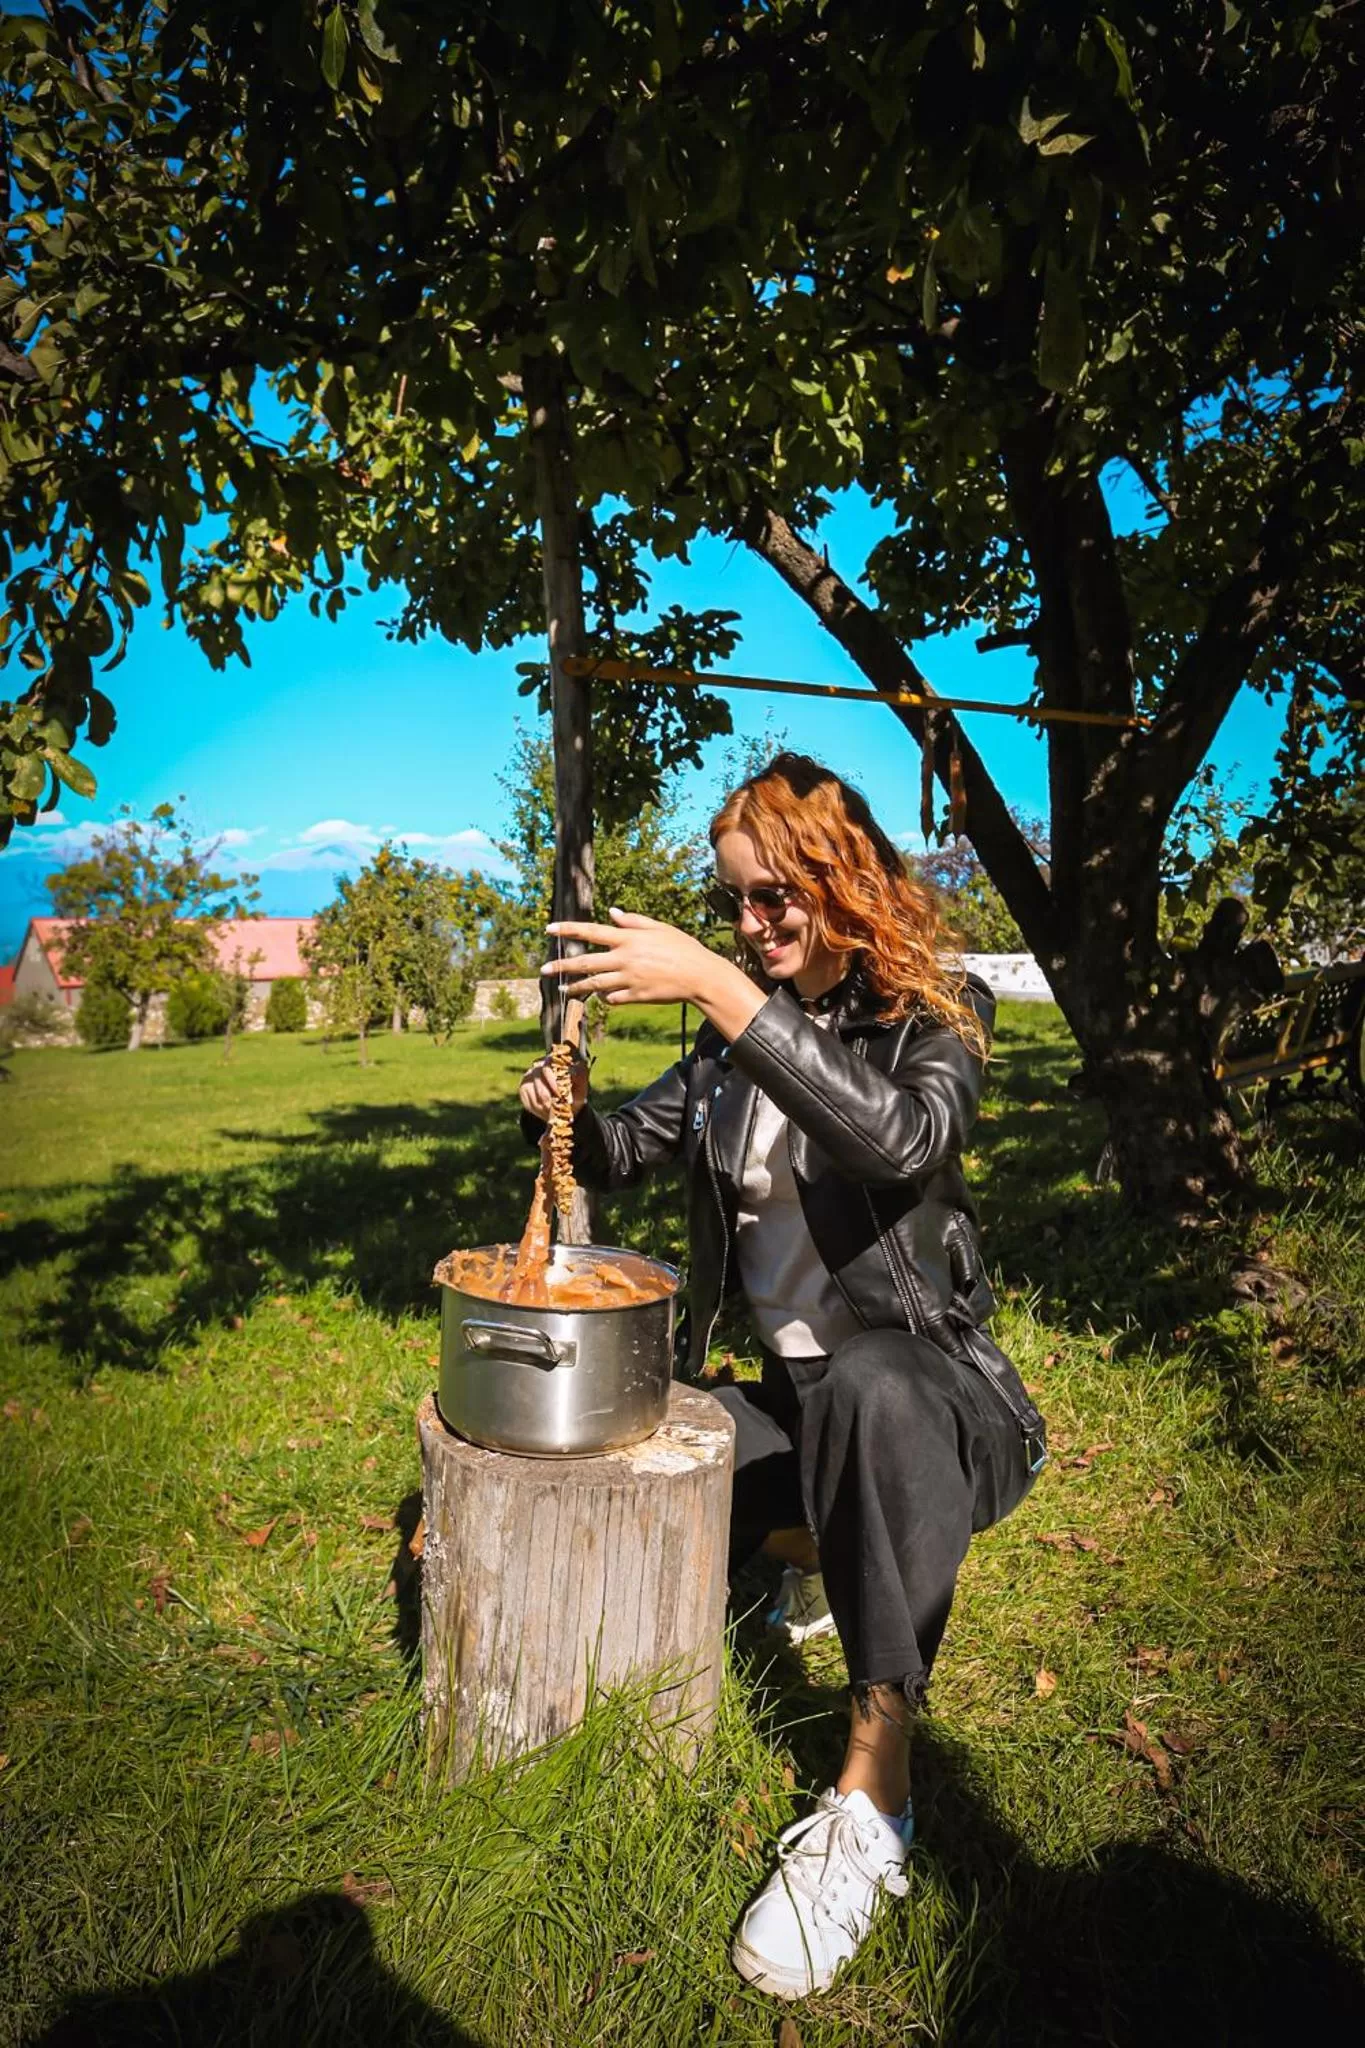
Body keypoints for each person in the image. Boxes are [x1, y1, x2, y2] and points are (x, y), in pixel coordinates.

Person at [520, 752, 1045, 2002]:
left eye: (772, 899)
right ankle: (817, 1559)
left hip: (934, 1407)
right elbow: (627, 1148)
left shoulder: (943, 1011)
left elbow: (900, 1137)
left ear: (837, 876)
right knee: (644, 1428)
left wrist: (712, 984)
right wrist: (562, 1111)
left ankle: (876, 1792)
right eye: (732, 906)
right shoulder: (722, 1052)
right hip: (799, 1412)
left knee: (867, 1384)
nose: (748, 927)